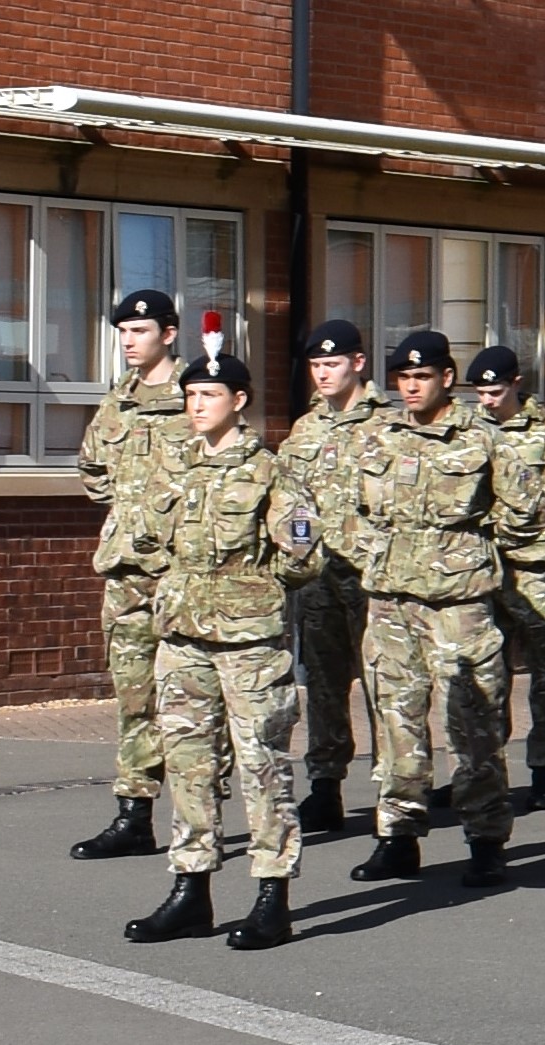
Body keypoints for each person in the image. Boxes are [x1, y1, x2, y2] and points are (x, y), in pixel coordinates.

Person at [122, 329, 324, 949]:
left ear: (240, 400)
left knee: (262, 767)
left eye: (209, 394)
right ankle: (191, 889)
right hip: (182, 638)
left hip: (248, 644)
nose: (197, 405)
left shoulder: (271, 472)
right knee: (189, 766)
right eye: (190, 395)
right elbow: (148, 538)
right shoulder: (172, 467)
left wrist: (251, 589)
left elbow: (304, 554)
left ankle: (272, 894)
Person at [346, 330, 533, 889]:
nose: (410, 386)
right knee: (396, 726)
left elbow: (527, 511)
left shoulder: (483, 438)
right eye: (403, 377)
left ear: (447, 379)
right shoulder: (376, 437)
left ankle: (485, 841)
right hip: (390, 604)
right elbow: (345, 509)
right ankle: (398, 837)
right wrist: (374, 555)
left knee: (472, 727)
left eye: (421, 377)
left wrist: (471, 553)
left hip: (458, 607)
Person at [72, 289, 190, 861]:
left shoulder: (198, 395)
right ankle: (134, 813)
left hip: (181, 574)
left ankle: (200, 819)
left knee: (193, 700)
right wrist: (129, 509)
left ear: (168, 333)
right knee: (133, 695)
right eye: (122, 332)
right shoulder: (117, 400)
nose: (127, 341)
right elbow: (92, 465)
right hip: (125, 572)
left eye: (138, 331)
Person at [275, 320, 383, 841]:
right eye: (316, 365)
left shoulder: (391, 424)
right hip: (320, 577)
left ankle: (393, 787)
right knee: (322, 683)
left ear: (358, 363)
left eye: (332, 364)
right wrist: (299, 548)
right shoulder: (305, 430)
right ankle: (326, 785)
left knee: (387, 685)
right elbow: (293, 501)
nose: (323, 374)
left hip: (374, 578)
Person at [462, 346, 545, 814]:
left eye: (495, 391)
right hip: (480, 568)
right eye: (480, 393)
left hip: (530, 569)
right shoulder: (469, 430)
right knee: (485, 677)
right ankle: (486, 772)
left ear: (515, 384)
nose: (487, 400)